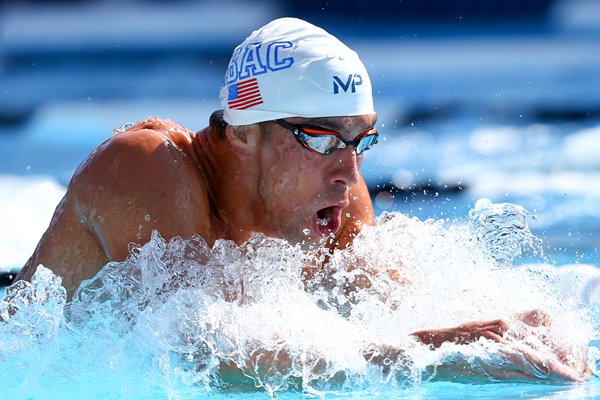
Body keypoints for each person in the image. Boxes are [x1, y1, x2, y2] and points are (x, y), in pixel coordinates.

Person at [14, 17, 590, 382]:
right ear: (243, 132)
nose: (349, 170)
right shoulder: (145, 168)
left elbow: (401, 309)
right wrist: (441, 346)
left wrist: (505, 330)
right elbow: (205, 356)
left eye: (360, 141)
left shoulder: (333, 198)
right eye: (319, 137)